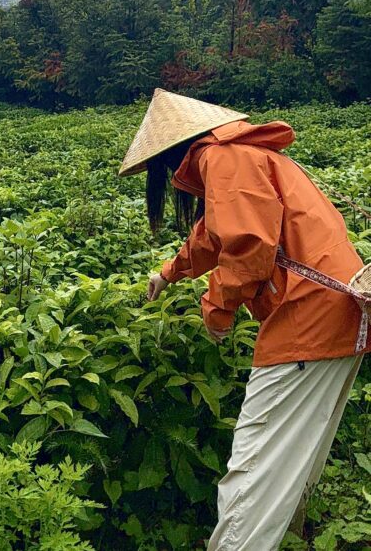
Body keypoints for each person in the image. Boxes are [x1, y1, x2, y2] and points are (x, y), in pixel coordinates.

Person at [118, 89, 370, 551]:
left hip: (308, 317)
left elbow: (248, 245)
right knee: (296, 446)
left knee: (255, 459)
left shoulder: (225, 160)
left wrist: (217, 309)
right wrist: (168, 273)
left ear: (170, 156)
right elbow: (213, 234)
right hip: (339, 311)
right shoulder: (241, 155)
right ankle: (290, 533)